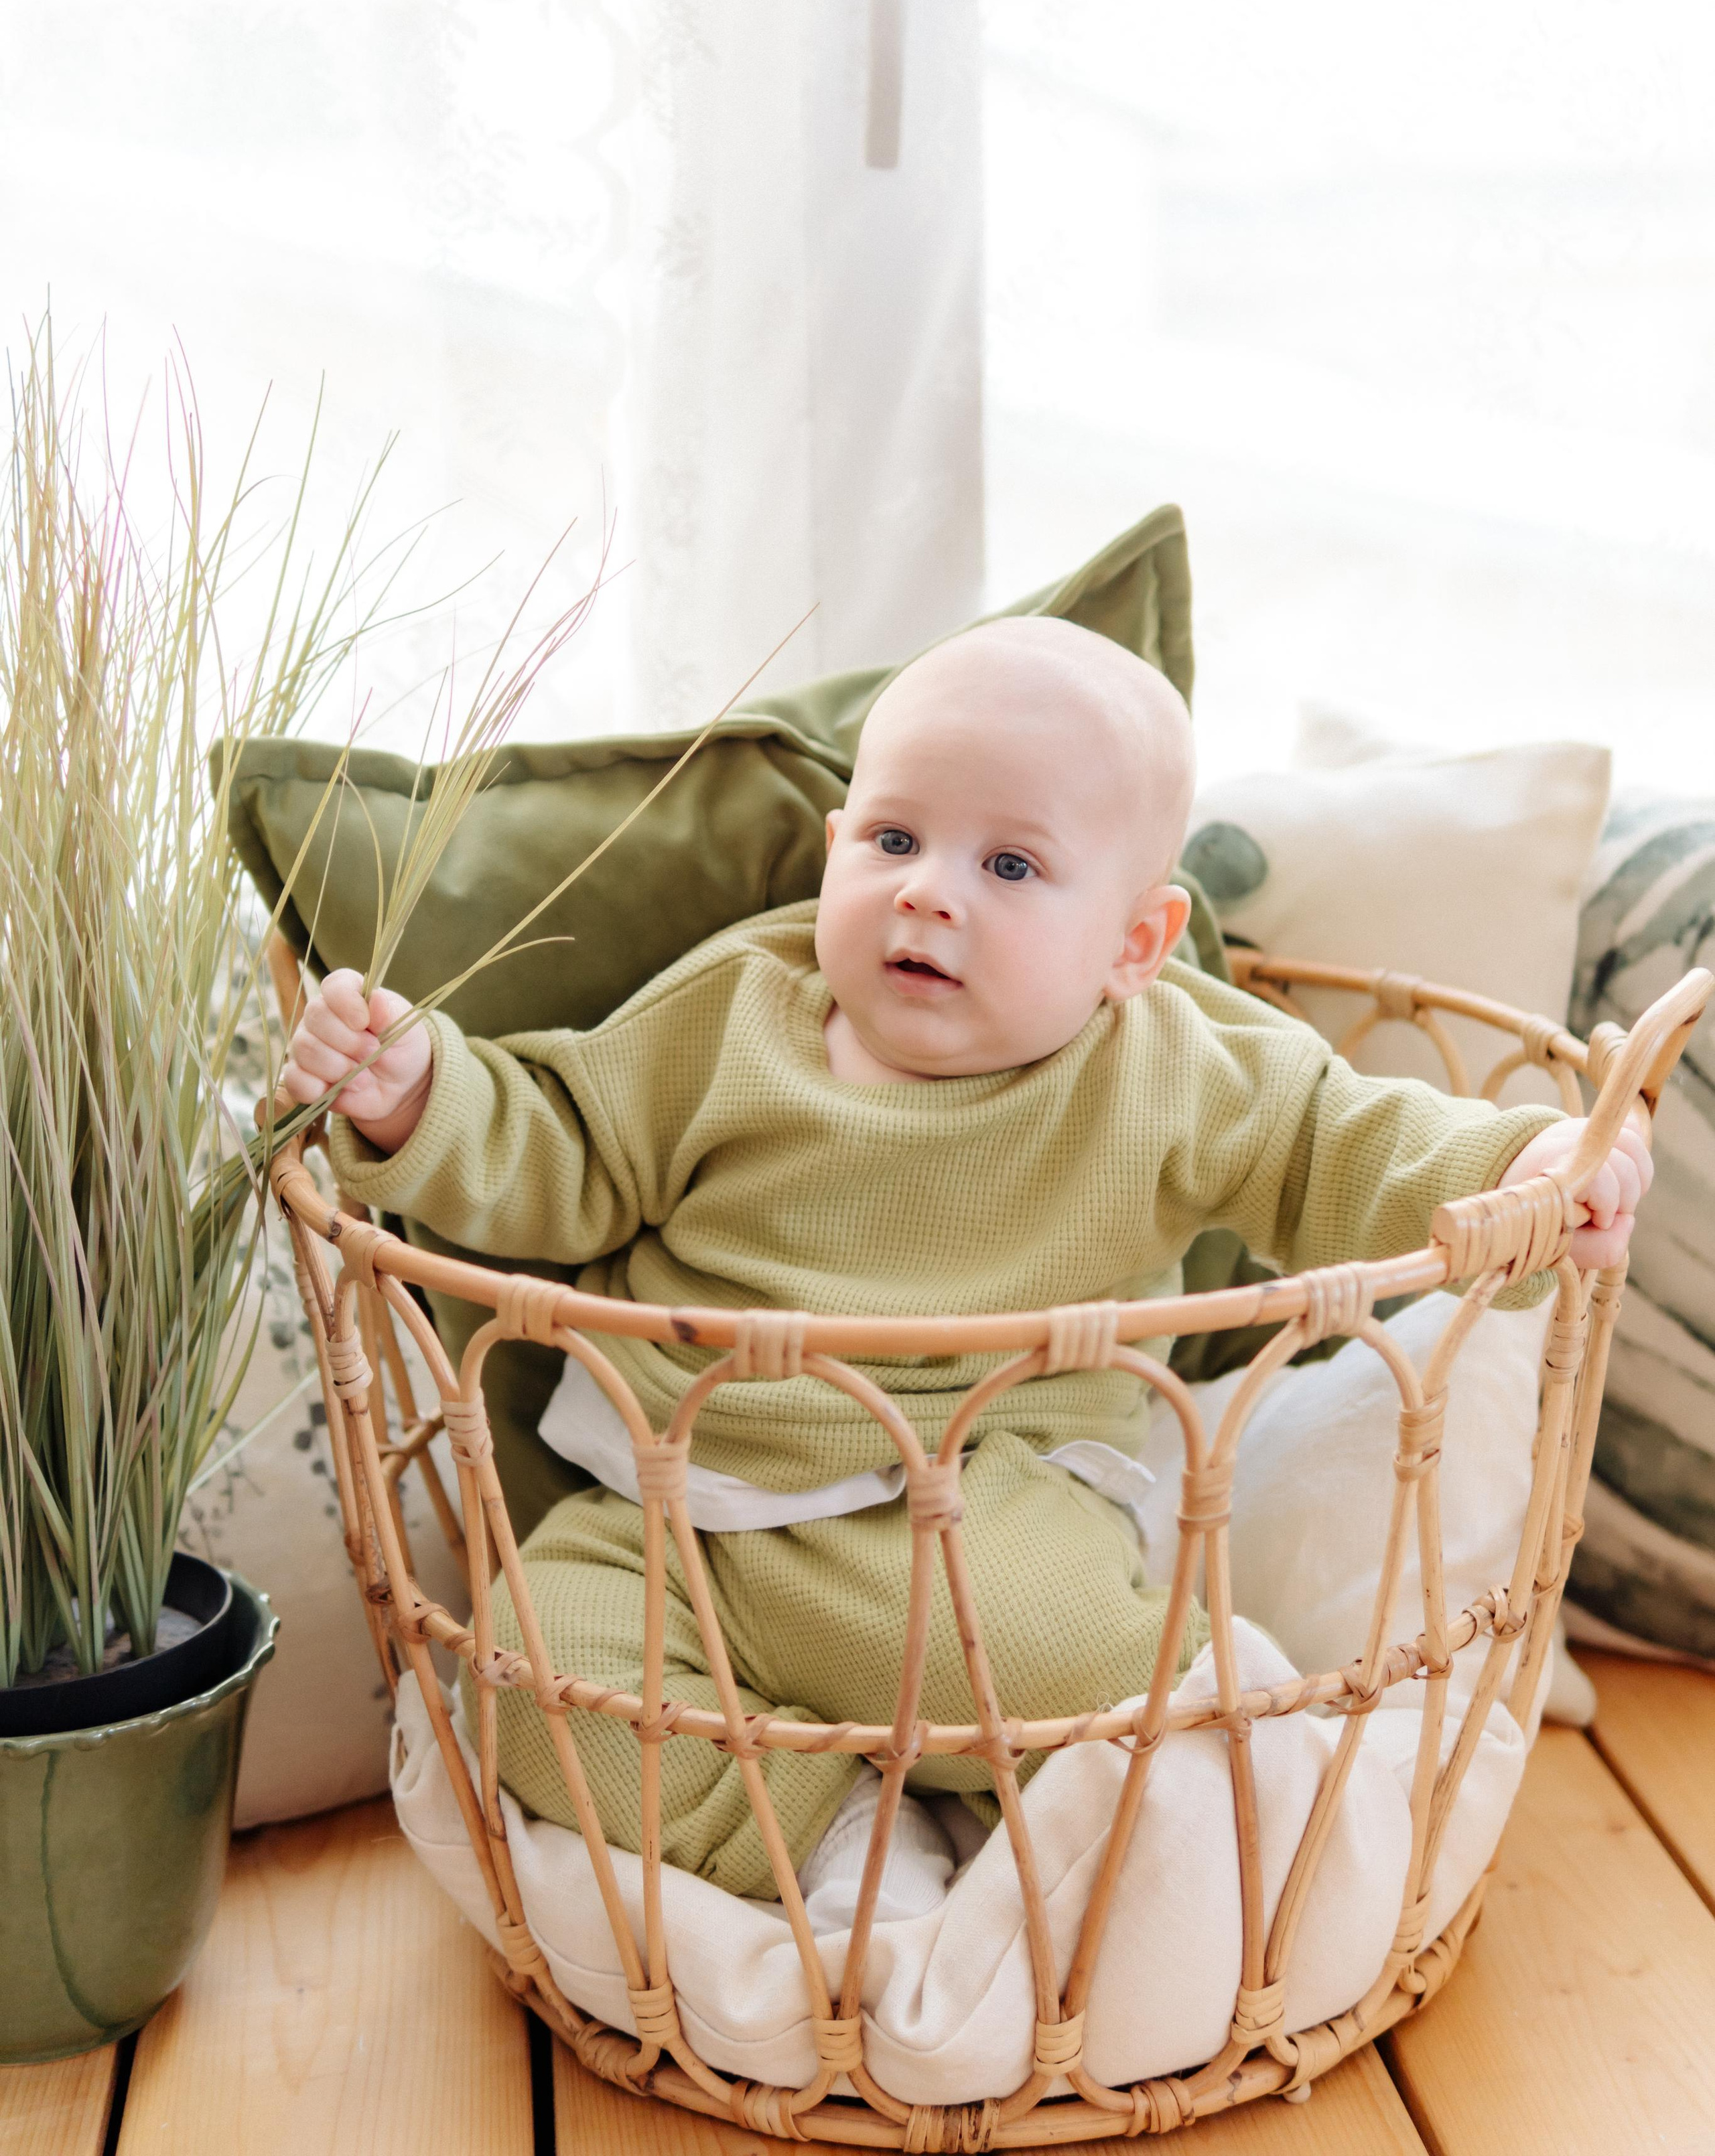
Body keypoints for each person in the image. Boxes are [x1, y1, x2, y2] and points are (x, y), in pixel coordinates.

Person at [283, 618, 1648, 1899]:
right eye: (891, 840)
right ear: (834, 850)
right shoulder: (736, 1013)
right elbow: (563, 1142)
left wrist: (1515, 1170)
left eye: (1007, 868)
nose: (926, 895)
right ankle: (823, 1848)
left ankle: (1150, 1817)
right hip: (674, 1507)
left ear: (1133, 944)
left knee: (1093, 1686)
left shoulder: (1167, 1063)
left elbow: (1339, 1147)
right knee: (532, 1683)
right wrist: (418, 1098)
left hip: (969, 1507)